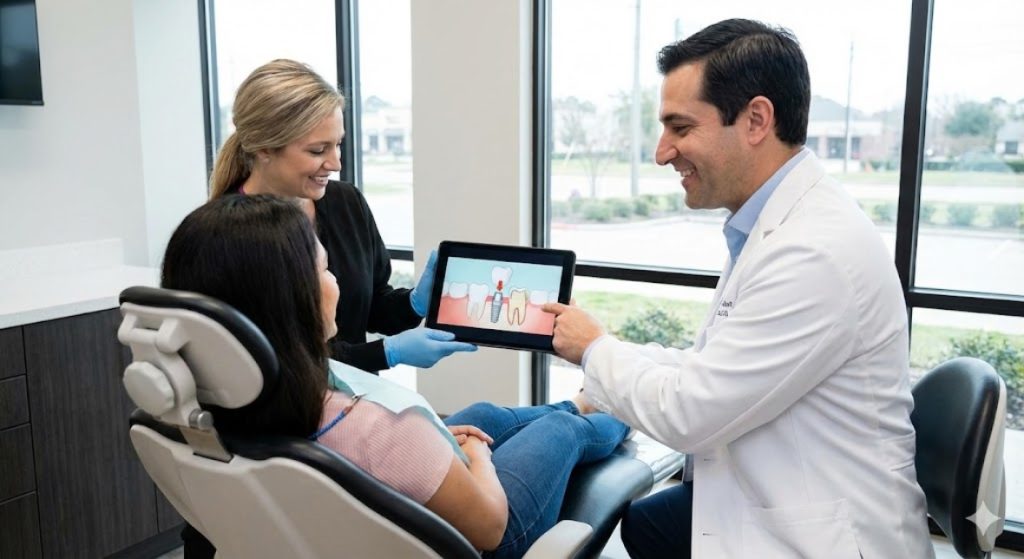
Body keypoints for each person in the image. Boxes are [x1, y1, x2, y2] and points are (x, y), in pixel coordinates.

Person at [542, 19, 933, 559]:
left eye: (680, 128)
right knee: (649, 521)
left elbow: (689, 415)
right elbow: (712, 365)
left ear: (755, 120)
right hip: (783, 494)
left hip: (826, 538)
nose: (662, 153)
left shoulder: (811, 251)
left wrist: (595, 351)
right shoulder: (777, 224)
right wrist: (606, 350)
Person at [161, 194, 631, 558]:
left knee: (485, 415)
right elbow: (489, 526)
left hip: (362, 510)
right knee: (560, 428)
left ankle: (584, 402)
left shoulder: (210, 408)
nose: (338, 282)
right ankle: (612, 403)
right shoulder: (381, 428)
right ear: (291, 300)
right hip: (487, 537)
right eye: (326, 269)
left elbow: (373, 454)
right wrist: (474, 457)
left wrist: (438, 440)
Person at [209, 58, 474, 372]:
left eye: (338, 144)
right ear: (265, 149)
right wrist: (386, 353)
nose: (336, 164)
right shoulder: (224, 238)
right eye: (318, 150)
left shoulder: (345, 203)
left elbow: (372, 308)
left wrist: (414, 302)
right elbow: (282, 366)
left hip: (356, 404)